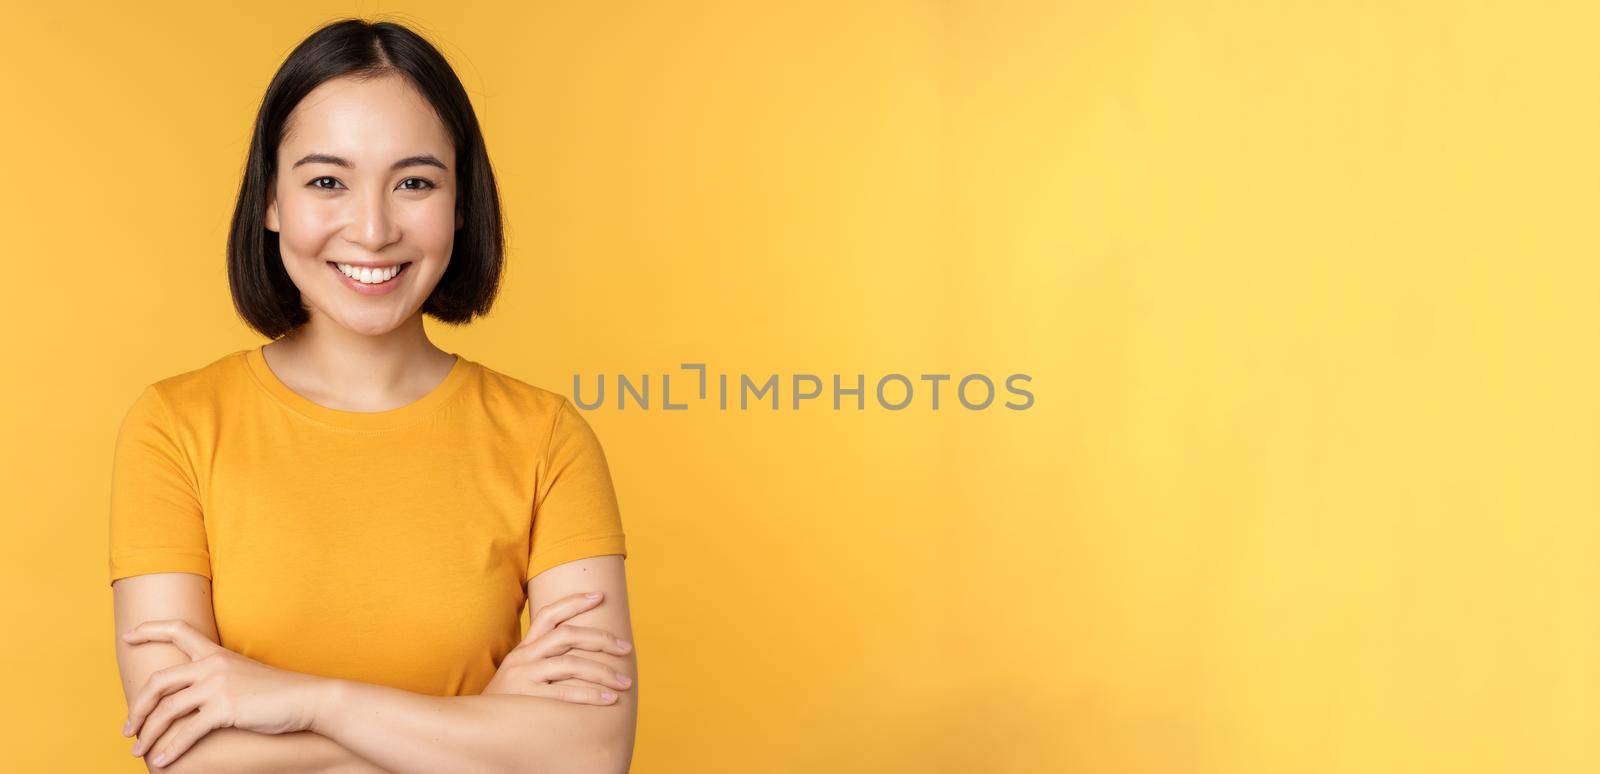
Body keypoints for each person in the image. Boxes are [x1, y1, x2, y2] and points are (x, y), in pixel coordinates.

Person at [108, 18, 637, 772]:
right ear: (270, 202)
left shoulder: (546, 437)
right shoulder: (176, 426)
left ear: (460, 203)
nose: (373, 227)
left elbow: (588, 756)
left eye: (415, 182)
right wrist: (485, 726)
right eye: (327, 181)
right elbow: (188, 754)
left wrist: (307, 702)